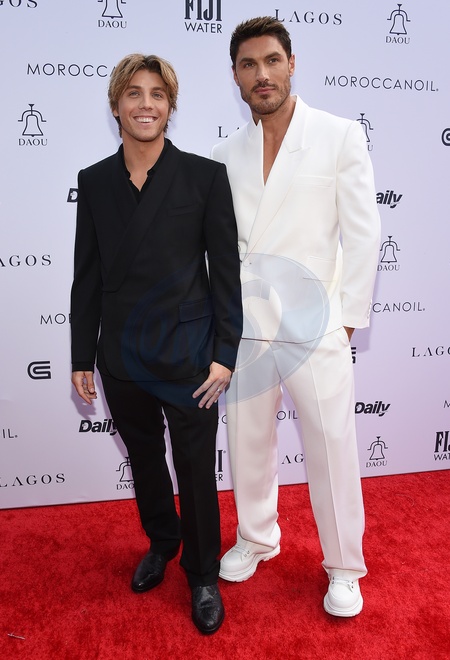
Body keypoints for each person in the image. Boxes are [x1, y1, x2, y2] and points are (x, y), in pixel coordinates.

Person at [210, 17, 381, 617]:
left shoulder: (338, 135)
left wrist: (345, 319)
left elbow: (363, 233)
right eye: (249, 64)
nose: (262, 74)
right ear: (236, 76)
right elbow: (220, 245)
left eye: (272, 60)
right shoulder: (224, 154)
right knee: (247, 442)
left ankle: (345, 567)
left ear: (291, 63)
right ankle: (257, 537)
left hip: (316, 326)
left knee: (332, 448)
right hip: (248, 326)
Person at [70, 53, 242, 635]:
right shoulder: (94, 181)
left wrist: (224, 353)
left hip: (189, 356)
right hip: (121, 354)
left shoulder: (204, 176)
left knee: (194, 469)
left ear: (170, 107)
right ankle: (162, 543)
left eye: (157, 95)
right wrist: (81, 354)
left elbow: (225, 273)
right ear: (116, 105)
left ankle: (202, 574)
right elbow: (87, 274)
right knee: (144, 459)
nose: (146, 104)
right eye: (134, 93)